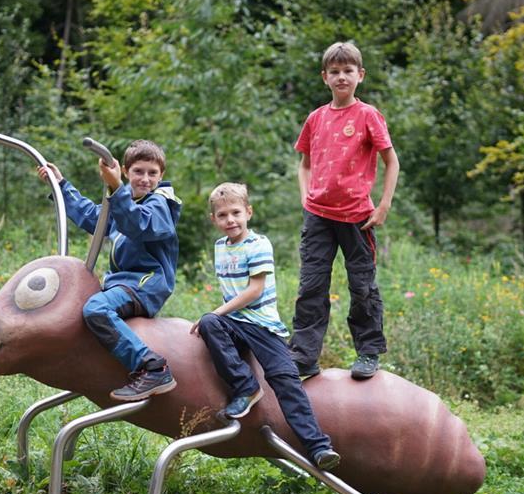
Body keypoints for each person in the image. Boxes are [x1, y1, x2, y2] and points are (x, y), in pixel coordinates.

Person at [190, 182, 340, 470]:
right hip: (233, 324)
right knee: (210, 323)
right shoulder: (220, 246)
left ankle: (318, 447)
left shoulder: (259, 244)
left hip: (262, 325)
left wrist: (218, 310)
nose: (230, 220)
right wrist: (217, 316)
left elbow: (254, 290)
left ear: (249, 212)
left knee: (285, 378)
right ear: (213, 220)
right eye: (222, 215)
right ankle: (245, 387)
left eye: (236, 213)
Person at [38, 139, 182, 400]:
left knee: (97, 308)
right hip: (121, 282)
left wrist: (116, 187)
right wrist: (60, 185)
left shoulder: (161, 205)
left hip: (145, 283)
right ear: (126, 171)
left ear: (162, 176)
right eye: (138, 171)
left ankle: (152, 366)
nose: (145, 179)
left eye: (153, 173)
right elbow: (94, 217)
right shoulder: (122, 202)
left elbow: (139, 224)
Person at [290, 41, 400, 381]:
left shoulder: (368, 115)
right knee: (311, 286)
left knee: (362, 286)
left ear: (360, 75)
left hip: (357, 217)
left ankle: (368, 352)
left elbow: (391, 161)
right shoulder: (316, 118)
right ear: (325, 77)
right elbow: (304, 165)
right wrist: (306, 197)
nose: (342, 77)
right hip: (318, 217)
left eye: (348, 71)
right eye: (335, 72)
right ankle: (304, 357)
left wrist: (383, 205)